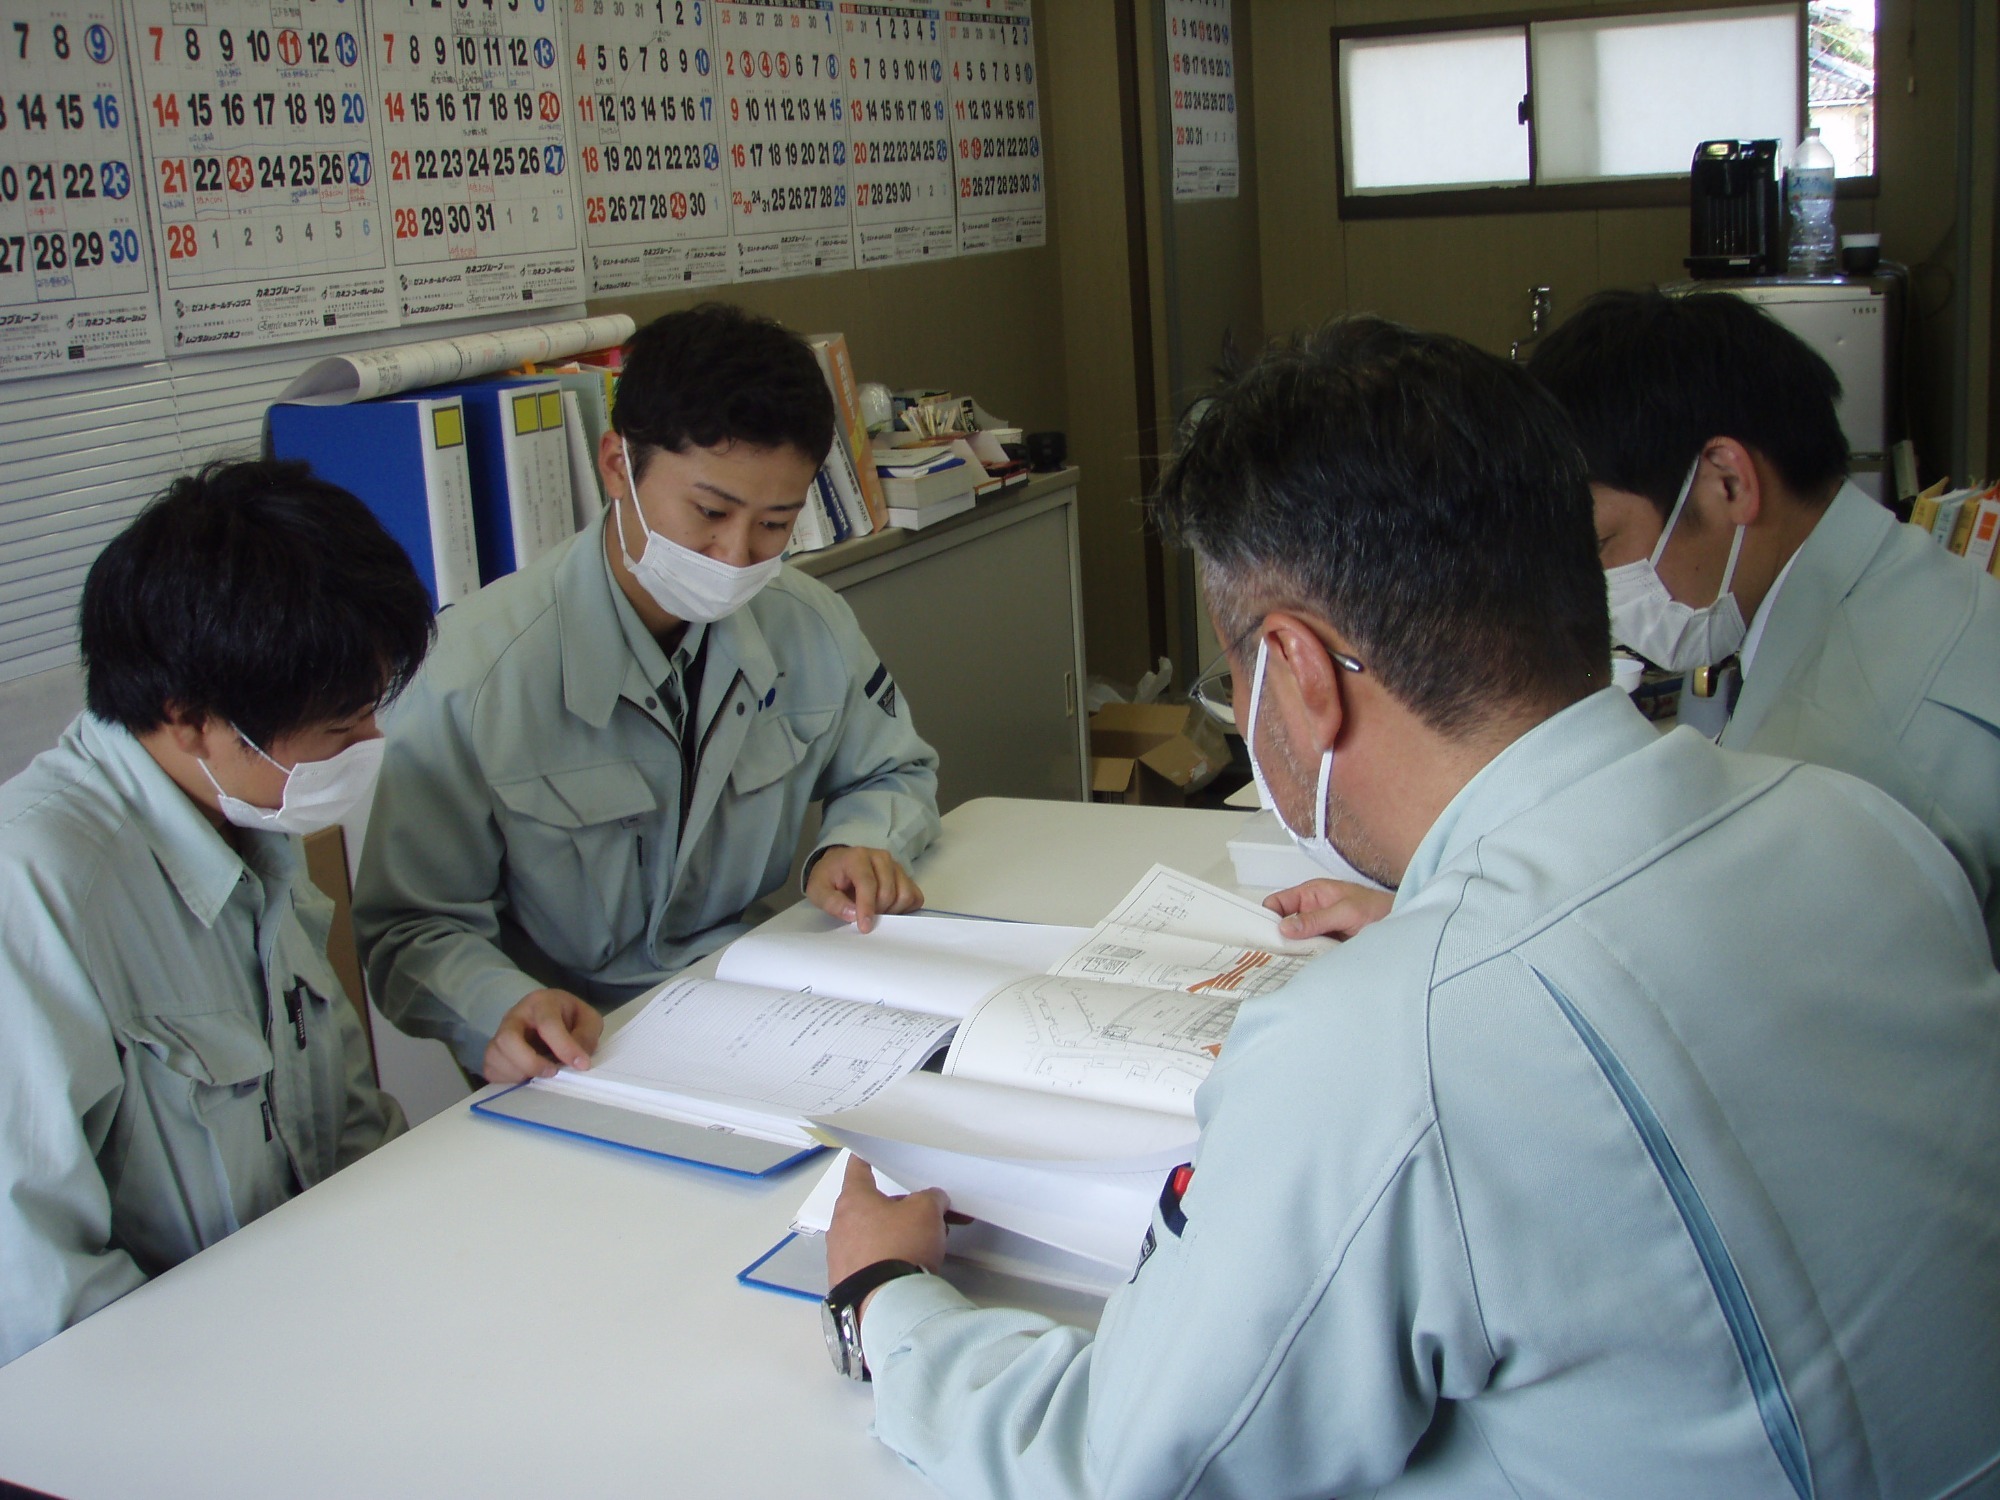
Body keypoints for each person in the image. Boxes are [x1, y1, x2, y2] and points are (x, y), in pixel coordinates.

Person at [823, 319, 2000, 1498]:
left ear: (1299, 669)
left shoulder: (1387, 1047)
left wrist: (886, 1305)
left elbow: (1129, 1467)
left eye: (1233, 671)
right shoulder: (1861, 825)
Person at [353, 305, 941, 1084]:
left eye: (775, 523)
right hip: (584, 1048)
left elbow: (893, 769)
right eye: (709, 511)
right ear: (615, 466)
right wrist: (499, 1005)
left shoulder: (809, 625)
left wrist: (858, 842)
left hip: (761, 1007)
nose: (735, 556)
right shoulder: (474, 674)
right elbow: (410, 929)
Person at [0, 460, 430, 1366]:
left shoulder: (253, 828)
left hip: (319, 1335)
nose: (370, 747)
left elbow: (350, 1134)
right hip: (170, 1399)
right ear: (191, 718)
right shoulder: (35, 895)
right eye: (340, 729)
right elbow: (42, 1303)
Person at [1528, 287, 2000, 960]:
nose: (1598, 585)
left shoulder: (1843, 750)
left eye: (1603, 544)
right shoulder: (1900, 583)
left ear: (1727, 482)